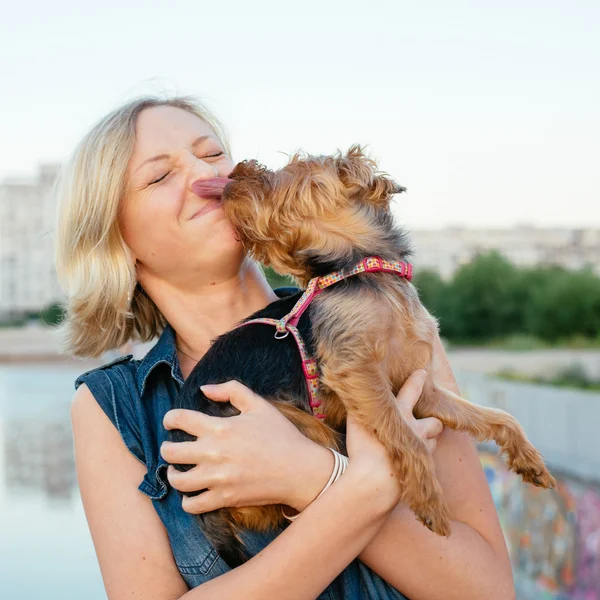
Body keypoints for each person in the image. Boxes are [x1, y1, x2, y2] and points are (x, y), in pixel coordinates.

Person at [56, 96, 515, 600]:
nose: (205, 173)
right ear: (115, 239)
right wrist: (359, 494)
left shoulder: (382, 320)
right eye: (159, 176)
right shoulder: (116, 407)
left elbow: (487, 589)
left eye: (211, 155)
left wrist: (313, 477)